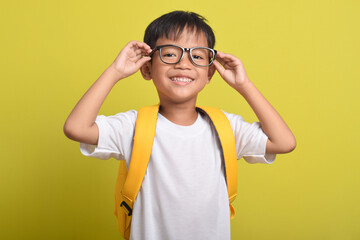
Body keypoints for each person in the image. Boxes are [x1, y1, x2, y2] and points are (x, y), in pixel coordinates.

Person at [64, 10, 296, 240]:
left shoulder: (226, 127)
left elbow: (284, 142)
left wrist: (244, 85)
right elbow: (76, 127)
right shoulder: (133, 127)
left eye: (197, 56)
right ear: (147, 68)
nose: (184, 64)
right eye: (170, 54)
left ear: (210, 73)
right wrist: (115, 71)